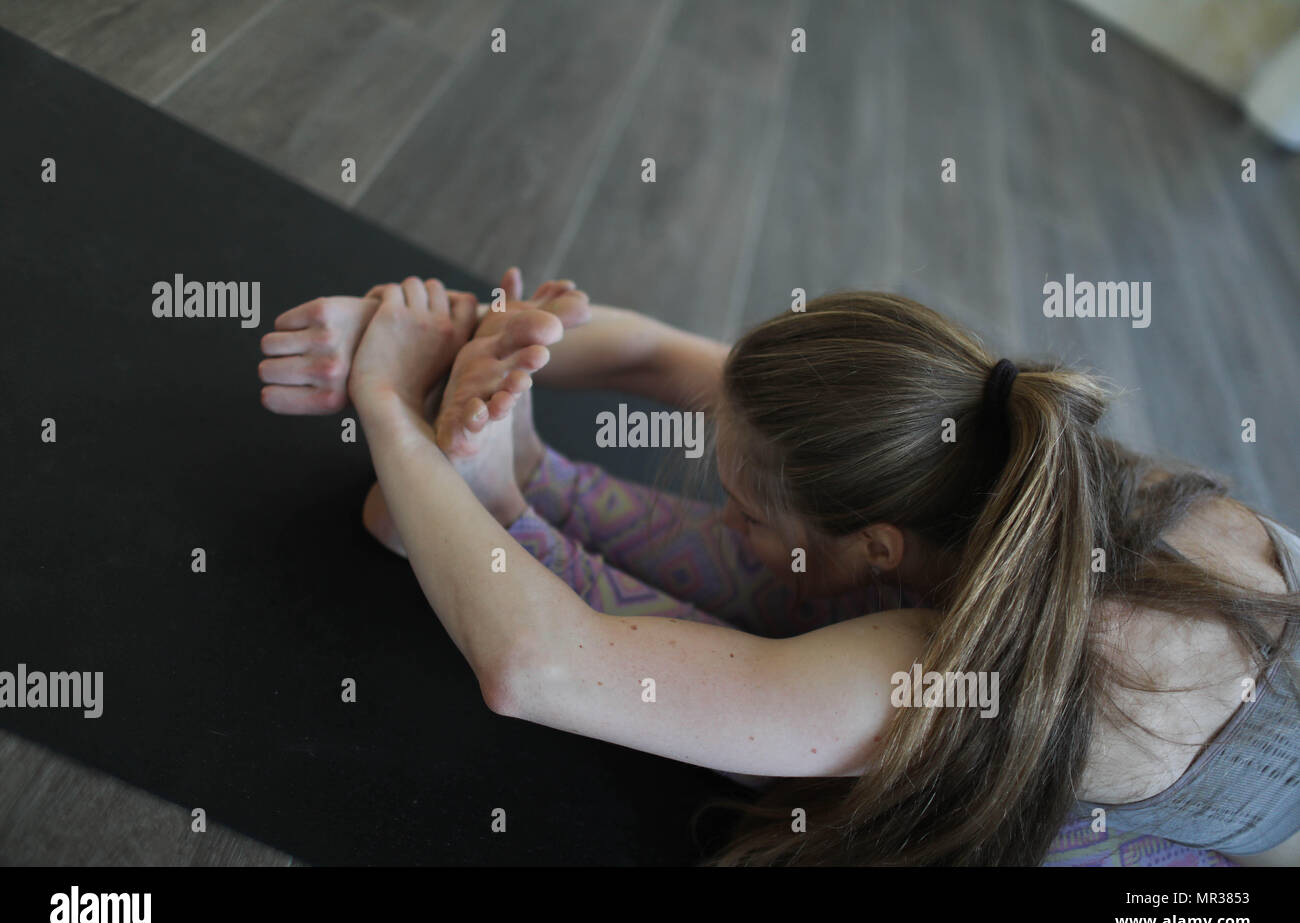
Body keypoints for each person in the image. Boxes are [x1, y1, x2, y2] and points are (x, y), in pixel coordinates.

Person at [257, 269, 1300, 866]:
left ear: (885, 544)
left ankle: (496, 502)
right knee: (786, 572)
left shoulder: (932, 677)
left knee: (785, 707)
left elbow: (538, 666)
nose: (725, 512)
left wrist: (387, 402)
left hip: (1176, 861)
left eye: (740, 502)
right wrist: (452, 344)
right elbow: (663, 357)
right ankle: (514, 490)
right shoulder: (960, 434)